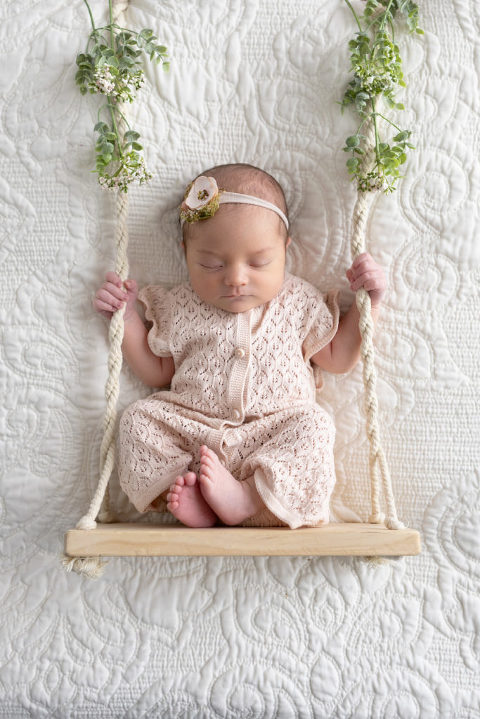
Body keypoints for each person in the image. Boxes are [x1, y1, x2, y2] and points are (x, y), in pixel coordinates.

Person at [93, 163, 386, 529]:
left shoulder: (298, 301)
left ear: (285, 250)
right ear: (185, 253)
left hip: (273, 433)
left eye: (259, 262)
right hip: (194, 435)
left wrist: (367, 305)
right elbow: (157, 371)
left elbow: (339, 357)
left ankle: (248, 497)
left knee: (315, 425)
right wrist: (128, 319)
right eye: (211, 264)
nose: (235, 279)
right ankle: (195, 495)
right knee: (137, 419)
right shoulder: (180, 305)